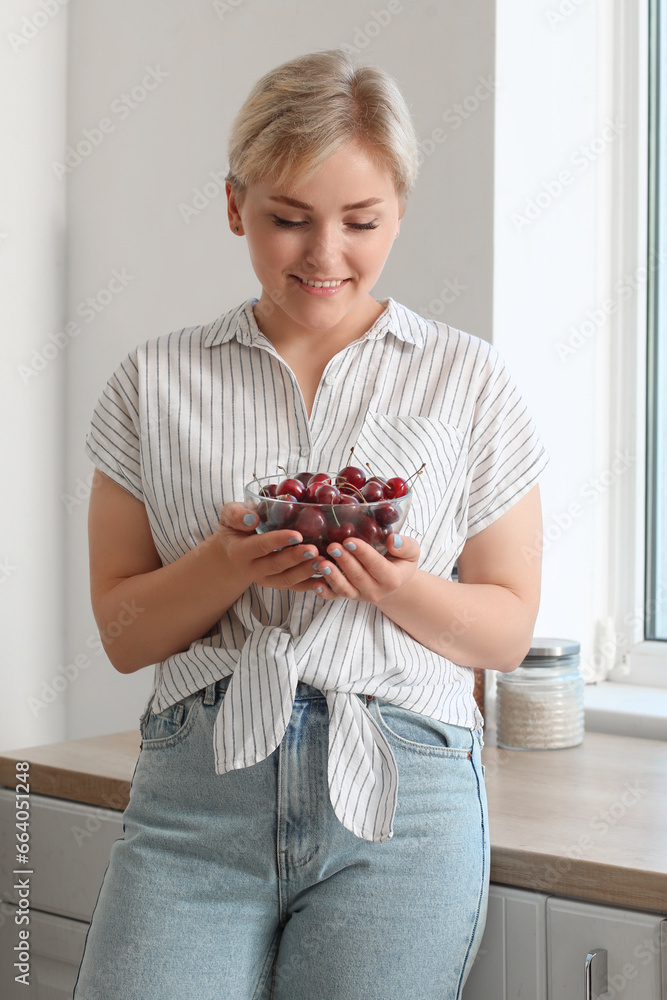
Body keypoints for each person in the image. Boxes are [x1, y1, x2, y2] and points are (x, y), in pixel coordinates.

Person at [73, 49, 548, 1000]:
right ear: (233, 203)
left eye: (361, 222)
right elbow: (125, 638)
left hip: (404, 796)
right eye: (288, 219)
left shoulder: (470, 380)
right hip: (197, 794)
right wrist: (228, 562)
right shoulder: (154, 381)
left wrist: (395, 584)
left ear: (399, 213)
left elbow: (505, 631)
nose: (324, 255)